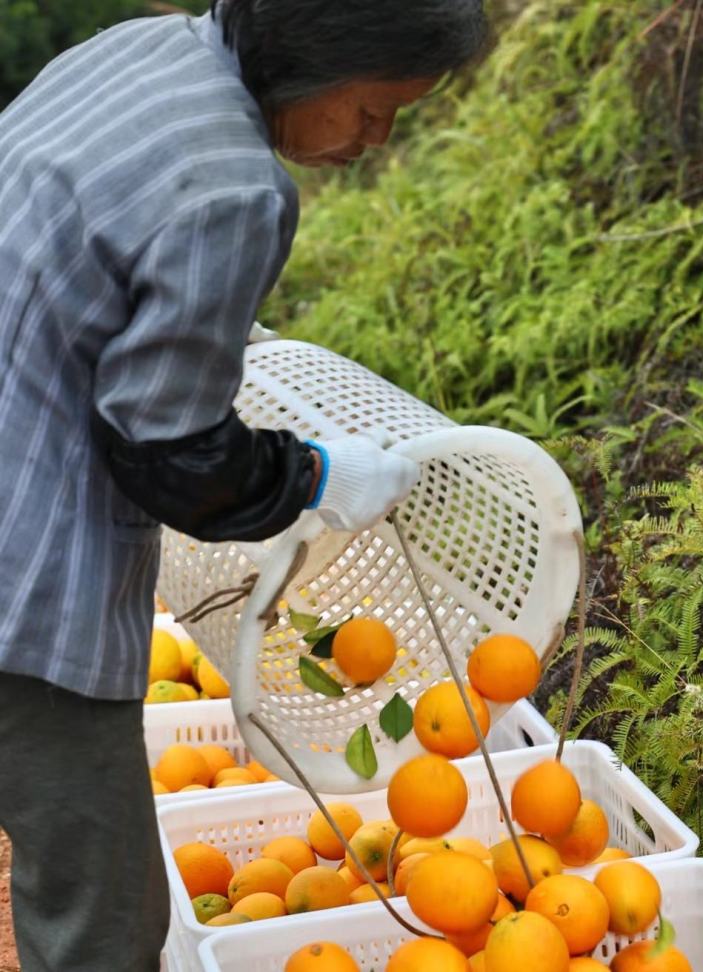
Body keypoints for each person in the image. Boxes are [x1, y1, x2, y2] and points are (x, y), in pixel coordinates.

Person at [0, 0, 489, 968]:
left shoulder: (142, 51)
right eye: (375, 108)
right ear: (324, 56)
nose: (375, 139)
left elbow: (84, 250)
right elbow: (171, 456)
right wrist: (313, 476)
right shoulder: (233, 189)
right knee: (103, 909)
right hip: (22, 564)